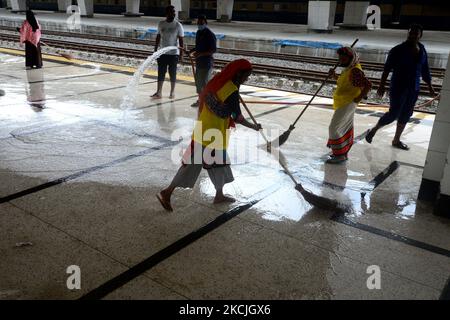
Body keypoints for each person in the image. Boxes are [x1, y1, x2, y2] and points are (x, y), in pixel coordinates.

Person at [156, 59, 262, 211]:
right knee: (193, 164)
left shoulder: (217, 81)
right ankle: (167, 192)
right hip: (213, 134)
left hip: (204, 128)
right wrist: (254, 126)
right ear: (238, 74)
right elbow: (237, 117)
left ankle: (219, 195)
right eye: (246, 76)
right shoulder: (231, 90)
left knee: (218, 164)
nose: (247, 79)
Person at [365, 24, 436, 150]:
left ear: (420, 35)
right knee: (394, 113)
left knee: (407, 113)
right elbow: (386, 69)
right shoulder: (397, 50)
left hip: (414, 88)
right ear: (407, 34)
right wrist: (381, 85)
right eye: (411, 33)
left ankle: (396, 140)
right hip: (398, 86)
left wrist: (430, 86)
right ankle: (374, 130)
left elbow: (425, 69)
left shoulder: (422, 49)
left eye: (416, 34)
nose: (413, 36)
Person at [326, 46, 371, 164]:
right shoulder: (348, 68)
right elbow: (344, 81)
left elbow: (368, 85)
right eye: (340, 58)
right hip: (343, 102)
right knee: (343, 127)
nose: (341, 61)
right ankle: (342, 153)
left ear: (350, 58)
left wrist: (358, 98)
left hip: (349, 103)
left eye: (343, 59)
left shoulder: (355, 70)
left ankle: (340, 155)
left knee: (334, 128)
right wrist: (334, 75)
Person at [151, 5, 184, 100]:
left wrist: (181, 54)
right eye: (171, 12)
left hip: (174, 54)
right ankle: (159, 92)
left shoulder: (178, 25)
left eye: (174, 12)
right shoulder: (161, 24)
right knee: (161, 72)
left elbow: (181, 40)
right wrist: (155, 50)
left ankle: (172, 92)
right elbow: (158, 37)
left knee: (172, 73)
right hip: (162, 53)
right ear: (166, 13)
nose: (173, 14)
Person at [189, 15, 217, 107]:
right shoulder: (198, 33)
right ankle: (200, 100)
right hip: (199, 63)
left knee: (205, 83)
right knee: (198, 83)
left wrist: (200, 54)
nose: (199, 25)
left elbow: (213, 50)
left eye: (201, 23)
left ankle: (207, 103)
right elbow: (198, 46)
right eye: (198, 23)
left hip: (207, 63)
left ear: (206, 23)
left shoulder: (210, 35)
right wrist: (191, 51)